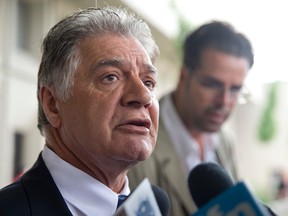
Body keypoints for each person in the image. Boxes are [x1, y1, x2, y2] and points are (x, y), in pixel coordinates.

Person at [0, 7, 160, 216]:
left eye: (148, 82)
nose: (143, 96)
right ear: (53, 104)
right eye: (111, 77)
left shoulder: (152, 206)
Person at [128, 20, 254, 215]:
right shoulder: (136, 139)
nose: (224, 101)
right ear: (184, 76)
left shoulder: (224, 140)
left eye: (235, 89)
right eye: (212, 84)